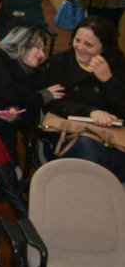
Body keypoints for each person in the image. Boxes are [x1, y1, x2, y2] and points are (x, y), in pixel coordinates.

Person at [0, 26, 55, 218]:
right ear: (22, 45)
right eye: (37, 48)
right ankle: (20, 209)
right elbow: (6, 90)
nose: (41, 55)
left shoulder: (33, 74)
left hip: (2, 134)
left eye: (43, 50)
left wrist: (17, 114)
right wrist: (40, 97)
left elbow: (30, 116)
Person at [44, 16, 125, 180]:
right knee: (89, 150)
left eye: (88, 44)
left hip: (110, 135)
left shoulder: (117, 66)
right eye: (77, 40)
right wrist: (90, 112)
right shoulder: (60, 62)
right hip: (67, 133)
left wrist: (109, 81)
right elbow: (52, 102)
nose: (80, 47)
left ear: (104, 48)